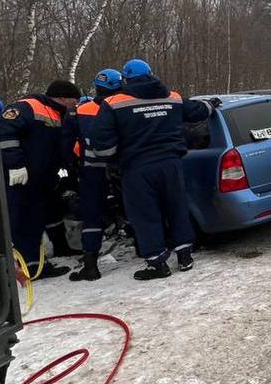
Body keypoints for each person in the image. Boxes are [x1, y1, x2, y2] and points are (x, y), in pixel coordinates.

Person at [90, 58, 216, 280]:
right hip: (171, 164)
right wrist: (211, 104)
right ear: (151, 74)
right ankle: (185, 255)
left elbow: (103, 144)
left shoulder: (113, 103)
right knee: (177, 208)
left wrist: (114, 160)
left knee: (145, 214)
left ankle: (157, 263)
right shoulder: (172, 96)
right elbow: (198, 111)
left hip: (137, 168)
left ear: (126, 79)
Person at [0, 80, 82, 281]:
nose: (74, 106)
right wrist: (15, 165)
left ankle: (32, 265)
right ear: (62, 98)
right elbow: (3, 133)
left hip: (35, 180)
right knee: (1, 220)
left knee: (32, 220)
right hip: (8, 175)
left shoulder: (59, 114)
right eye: (73, 102)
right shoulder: (27, 107)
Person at [68, 69, 123, 281]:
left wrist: (73, 167)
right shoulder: (121, 105)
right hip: (120, 167)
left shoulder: (80, 111)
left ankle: (90, 264)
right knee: (135, 207)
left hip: (91, 170)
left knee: (92, 216)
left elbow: (66, 143)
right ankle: (144, 250)